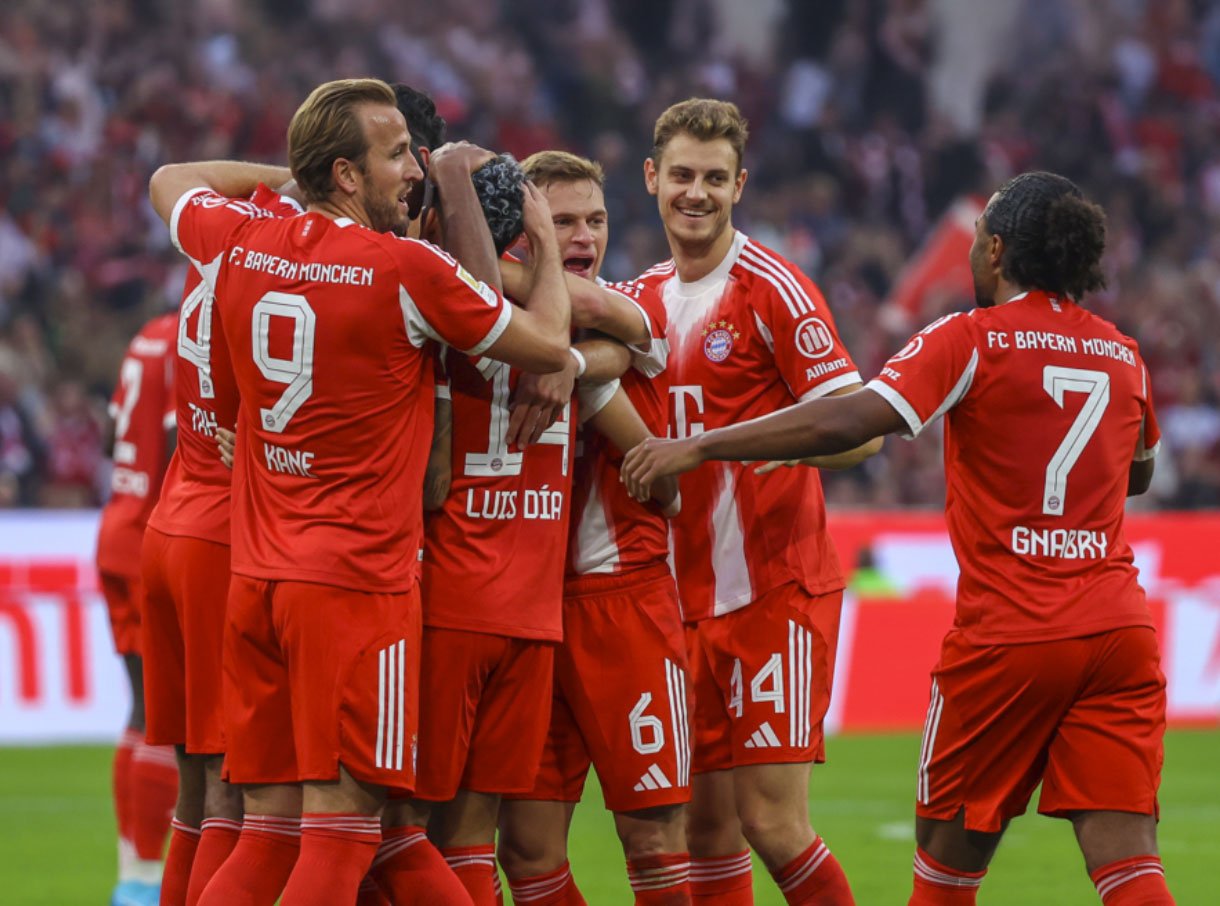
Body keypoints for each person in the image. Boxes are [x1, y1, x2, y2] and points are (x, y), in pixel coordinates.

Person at [622, 171, 1175, 906]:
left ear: (998, 250)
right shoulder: (1123, 355)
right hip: (1118, 629)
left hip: (1012, 633)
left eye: (978, 237)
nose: (973, 250)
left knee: (945, 868)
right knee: (1129, 865)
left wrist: (699, 446)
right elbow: (1135, 475)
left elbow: (850, 419)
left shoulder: (970, 338)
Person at [148, 77, 571, 906]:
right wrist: (548, 248)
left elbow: (169, 180)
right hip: (355, 589)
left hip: (258, 581)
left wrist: (290, 180)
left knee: (265, 833)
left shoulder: (235, 240)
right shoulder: (403, 269)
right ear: (346, 175)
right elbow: (547, 344)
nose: (413, 171)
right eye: (393, 157)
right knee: (345, 839)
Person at [631, 98, 879, 905]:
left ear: (740, 185)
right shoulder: (639, 303)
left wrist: (722, 444)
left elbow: (860, 433)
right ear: (651, 181)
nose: (694, 193)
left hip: (774, 591)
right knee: (705, 831)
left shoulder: (773, 290)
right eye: (680, 176)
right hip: (679, 602)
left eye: (712, 178)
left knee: (772, 823)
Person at [495, 151, 692, 905]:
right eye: (564, 220)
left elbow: (665, 485)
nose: (585, 235)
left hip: (623, 602)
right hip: (526, 610)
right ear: (523, 228)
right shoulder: (478, 316)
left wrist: (570, 364)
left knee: (654, 841)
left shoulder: (628, 310)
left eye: (597, 219)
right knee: (526, 850)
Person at [141, 181, 302, 906]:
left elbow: (172, 176)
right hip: (224, 537)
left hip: (175, 515)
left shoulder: (223, 229)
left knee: (196, 794)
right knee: (233, 798)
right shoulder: (291, 252)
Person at [95, 308, 180, 906]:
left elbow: (109, 436)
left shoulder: (149, 332)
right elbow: (182, 439)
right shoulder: (192, 334)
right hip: (155, 536)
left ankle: (132, 871)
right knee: (162, 715)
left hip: (116, 528)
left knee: (139, 710)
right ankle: (147, 883)